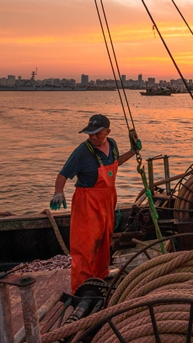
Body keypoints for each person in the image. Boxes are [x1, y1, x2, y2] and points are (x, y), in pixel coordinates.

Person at [50, 114, 136, 293]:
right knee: (85, 245)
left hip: (108, 199)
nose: (93, 137)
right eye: (90, 133)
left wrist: (133, 151)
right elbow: (62, 175)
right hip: (87, 202)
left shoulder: (111, 144)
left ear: (107, 132)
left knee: (105, 239)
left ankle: (101, 274)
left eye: (97, 133)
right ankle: (82, 286)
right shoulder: (82, 151)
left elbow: (115, 162)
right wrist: (59, 192)